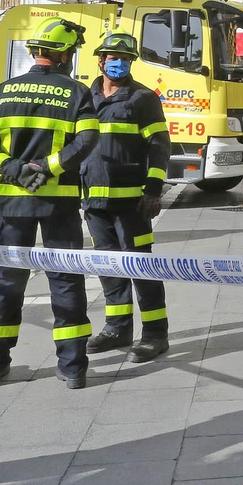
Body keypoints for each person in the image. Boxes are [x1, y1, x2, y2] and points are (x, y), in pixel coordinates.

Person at [0, 17, 99, 389]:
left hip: (11, 203)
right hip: (58, 202)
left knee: (7, 281)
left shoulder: (3, 90)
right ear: (64, 55)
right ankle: (73, 367)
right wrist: (49, 167)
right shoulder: (76, 92)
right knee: (66, 280)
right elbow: (86, 142)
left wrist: (14, 169)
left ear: (37, 53)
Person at [81, 31, 173, 362]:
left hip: (133, 203)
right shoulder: (85, 97)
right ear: (101, 60)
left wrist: (153, 188)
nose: (119, 63)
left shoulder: (143, 98)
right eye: (113, 58)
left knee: (141, 267)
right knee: (108, 266)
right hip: (94, 203)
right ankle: (118, 327)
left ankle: (155, 334)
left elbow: (160, 146)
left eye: (126, 59)